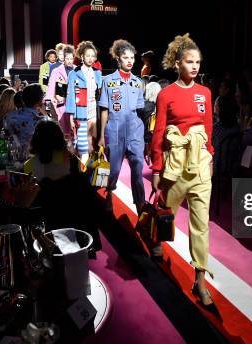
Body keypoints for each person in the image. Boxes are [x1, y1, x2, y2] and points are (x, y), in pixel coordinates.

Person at [151, 34, 214, 306]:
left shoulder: (206, 93)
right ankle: (156, 243)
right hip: (175, 164)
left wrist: (209, 157)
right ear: (178, 63)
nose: (195, 66)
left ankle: (199, 279)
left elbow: (209, 129)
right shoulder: (166, 94)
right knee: (166, 214)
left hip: (200, 164)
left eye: (198, 62)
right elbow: (159, 132)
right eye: (190, 62)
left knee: (201, 226)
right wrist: (156, 168)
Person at [98, 39, 145, 213]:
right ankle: (109, 192)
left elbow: (140, 111)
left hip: (135, 131)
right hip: (115, 130)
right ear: (118, 58)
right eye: (126, 57)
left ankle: (140, 204)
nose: (130, 61)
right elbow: (104, 110)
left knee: (138, 168)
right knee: (113, 169)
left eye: (132, 57)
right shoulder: (108, 81)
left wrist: (143, 135)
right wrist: (102, 135)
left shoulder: (138, 82)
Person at [66, 41, 102, 163]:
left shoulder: (97, 74)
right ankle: (83, 173)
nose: (91, 58)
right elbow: (70, 95)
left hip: (93, 112)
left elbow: (101, 95)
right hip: (80, 112)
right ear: (81, 56)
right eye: (88, 56)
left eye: (93, 56)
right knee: (83, 145)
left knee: (91, 144)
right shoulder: (74, 73)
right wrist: (71, 116)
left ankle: (87, 173)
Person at [5, 83, 49, 148]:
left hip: (13, 155)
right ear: (40, 101)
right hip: (35, 156)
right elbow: (55, 137)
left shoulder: (8, 117)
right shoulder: (42, 121)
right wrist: (51, 115)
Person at [46, 46, 74, 135]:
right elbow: (50, 87)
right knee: (62, 129)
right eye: (67, 58)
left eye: (71, 58)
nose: (69, 60)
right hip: (61, 103)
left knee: (74, 130)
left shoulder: (77, 70)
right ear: (64, 59)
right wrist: (48, 102)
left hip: (75, 104)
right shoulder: (56, 71)